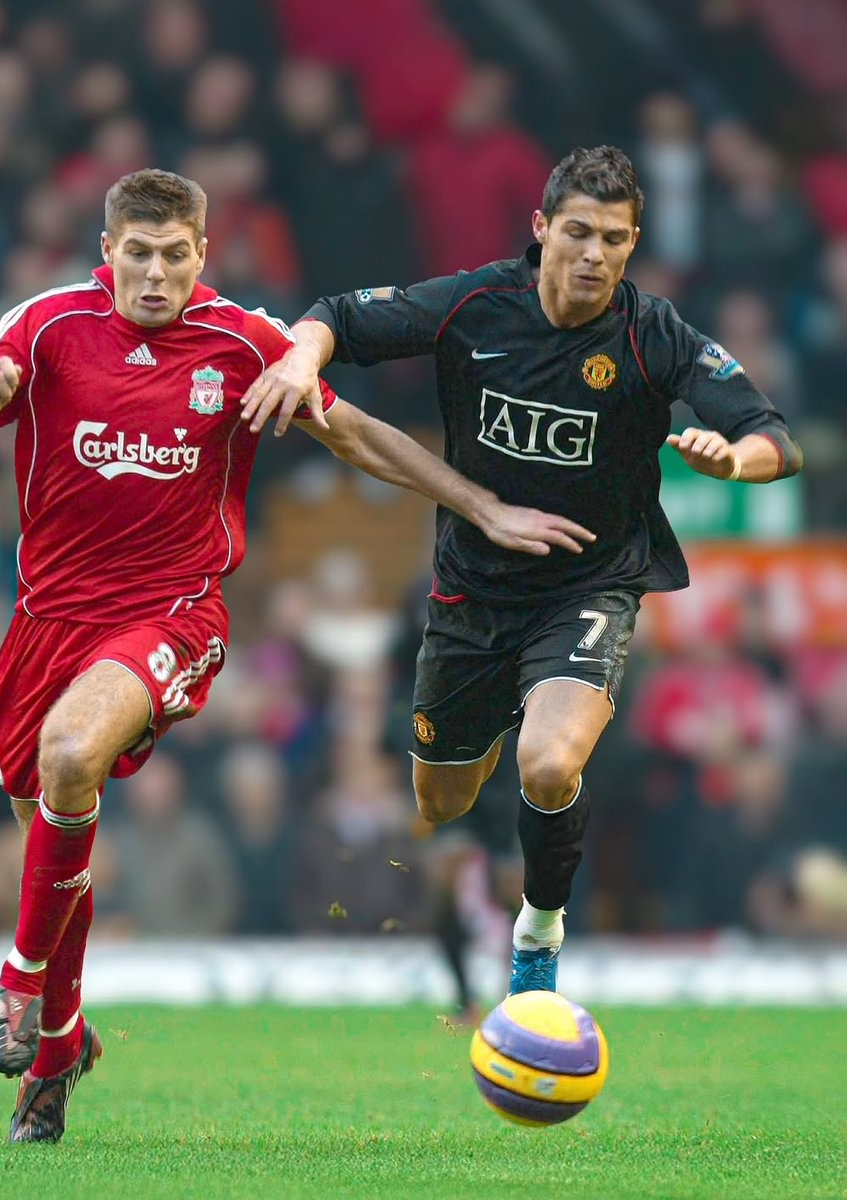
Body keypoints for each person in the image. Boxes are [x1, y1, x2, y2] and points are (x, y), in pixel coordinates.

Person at [0, 168, 594, 1145]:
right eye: (135, 254)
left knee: (69, 760)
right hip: (45, 622)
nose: (154, 274)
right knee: (53, 842)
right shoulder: (45, 327)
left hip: (171, 615)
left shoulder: (241, 342)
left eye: (173, 256)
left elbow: (354, 435)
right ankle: (56, 1054)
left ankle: (15, 990)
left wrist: (481, 504)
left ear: (200, 256)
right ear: (108, 255)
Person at [240, 145, 804, 1000]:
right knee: (440, 803)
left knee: (546, 765)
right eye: (577, 232)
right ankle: (472, 865)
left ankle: (537, 930)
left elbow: (776, 438)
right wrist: (295, 358)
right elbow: (335, 317)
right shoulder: (476, 302)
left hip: (588, 586)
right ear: (540, 229)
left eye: (614, 239)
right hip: (471, 592)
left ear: (632, 242)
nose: (593, 255)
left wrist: (733, 459)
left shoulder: (654, 335)